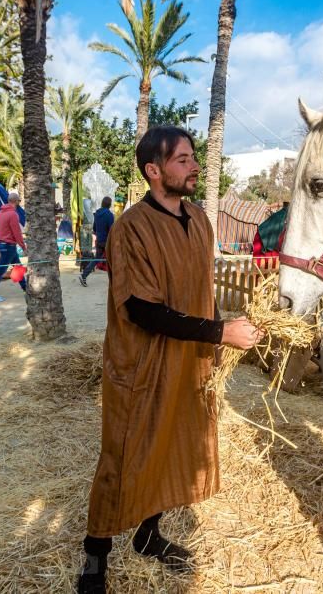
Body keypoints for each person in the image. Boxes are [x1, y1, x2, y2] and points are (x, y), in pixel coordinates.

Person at [77, 127, 264, 593]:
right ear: (153, 171)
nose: (194, 166)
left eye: (193, 157)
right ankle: (96, 554)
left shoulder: (200, 219)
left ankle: (148, 536)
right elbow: (141, 308)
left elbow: (200, 289)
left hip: (189, 361)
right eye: (183, 159)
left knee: (170, 448)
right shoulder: (130, 228)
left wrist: (217, 334)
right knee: (123, 456)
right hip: (140, 365)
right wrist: (221, 332)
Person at [0, 193, 27, 303]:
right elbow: (16, 232)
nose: (19, 202)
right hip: (9, 245)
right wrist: (23, 246)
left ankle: (25, 288)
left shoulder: (0, 213)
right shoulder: (13, 214)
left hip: (3, 245)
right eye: (19, 200)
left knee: (17, 267)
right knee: (1, 270)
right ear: (16, 201)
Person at [78, 196, 114, 287]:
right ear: (109, 205)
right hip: (107, 241)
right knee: (113, 259)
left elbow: (94, 228)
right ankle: (115, 280)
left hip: (99, 241)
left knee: (96, 259)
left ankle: (84, 275)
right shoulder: (109, 215)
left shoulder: (97, 214)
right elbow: (112, 230)